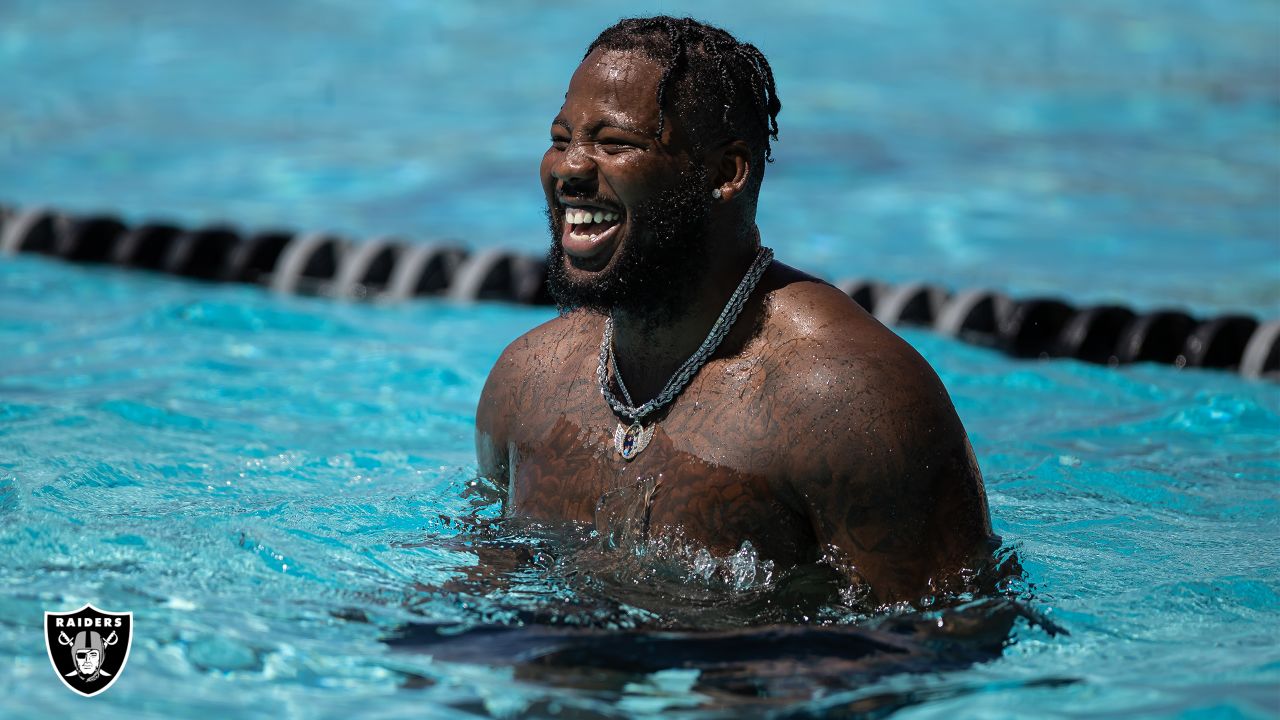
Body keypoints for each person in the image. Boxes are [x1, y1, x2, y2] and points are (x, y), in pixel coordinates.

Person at [476, 16, 994, 605]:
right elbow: (488, 578)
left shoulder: (847, 399)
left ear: (726, 174)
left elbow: (949, 635)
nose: (570, 168)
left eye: (615, 143)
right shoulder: (526, 383)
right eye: (562, 139)